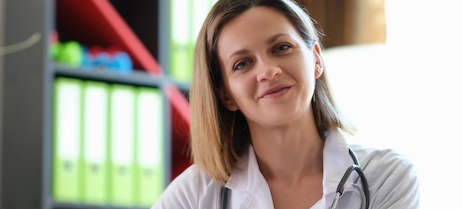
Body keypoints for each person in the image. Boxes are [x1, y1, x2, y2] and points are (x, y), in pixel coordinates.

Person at [152, 0, 420, 208]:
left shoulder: (385, 176)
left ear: (316, 58)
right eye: (242, 64)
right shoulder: (195, 194)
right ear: (226, 96)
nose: (268, 71)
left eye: (281, 48)